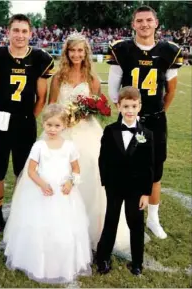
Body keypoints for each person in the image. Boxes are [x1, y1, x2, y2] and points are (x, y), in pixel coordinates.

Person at [49, 32, 130, 252]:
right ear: (66, 53)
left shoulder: (92, 79)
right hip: (63, 131)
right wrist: (63, 118)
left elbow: (98, 105)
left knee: (92, 174)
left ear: (86, 53)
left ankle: (91, 229)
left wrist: (86, 111)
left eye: (80, 50)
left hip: (87, 132)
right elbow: (51, 107)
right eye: (72, 50)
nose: (76, 54)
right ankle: (58, 228)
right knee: (58, 175)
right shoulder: (58, 78)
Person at [107, 5, 183, 239]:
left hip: (155, 120)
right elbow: (113, 89)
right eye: (139, 20)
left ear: (156, 23)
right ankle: (121, 216)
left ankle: (153, 218)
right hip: (128, 119)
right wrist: (128, 114)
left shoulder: (169, 50)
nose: (144, 24)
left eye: (149, 20)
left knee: (154, 170)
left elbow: (170, 89)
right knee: (123, 167)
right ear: (133, 24)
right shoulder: (122, 49)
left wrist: (157, 112)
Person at [0, 14, 54, 237]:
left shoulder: (40, 58)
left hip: (24, 122)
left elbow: (42, 97)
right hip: (0, 120)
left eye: (24, 31)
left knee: (24, 172)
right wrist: (1, 114)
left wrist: (26, 117)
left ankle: (23, 215)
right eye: (16, 30)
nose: (20, 35)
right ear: (8, 32)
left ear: (30, 33)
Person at [4, 104, 92, 284]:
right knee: (38, 226)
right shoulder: (39, 146)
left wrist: (70, 182)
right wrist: (42, 184)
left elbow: (76, 169)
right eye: (49, 125)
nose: (52, 129)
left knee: (63, 227)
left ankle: (60, 261)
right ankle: (37, 261)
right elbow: (31, 171)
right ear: (43, 124)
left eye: (57, 126)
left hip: (64, 193)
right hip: (41, 192)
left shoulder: (69, 146)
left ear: (64, 126)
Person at [96, 86, 154, 276]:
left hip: (136, 189)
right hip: (114, 186)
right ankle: (103, 258)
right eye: (126, 106)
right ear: (119, 107)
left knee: (135, 222)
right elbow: (103, 159)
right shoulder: (110, 130)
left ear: (140, 107)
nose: (130, 110)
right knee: (110, 220)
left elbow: (149, 166)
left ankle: (137, 262)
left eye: (133, 106)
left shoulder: (147, 134)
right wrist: (106, 182)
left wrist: (146, 193)